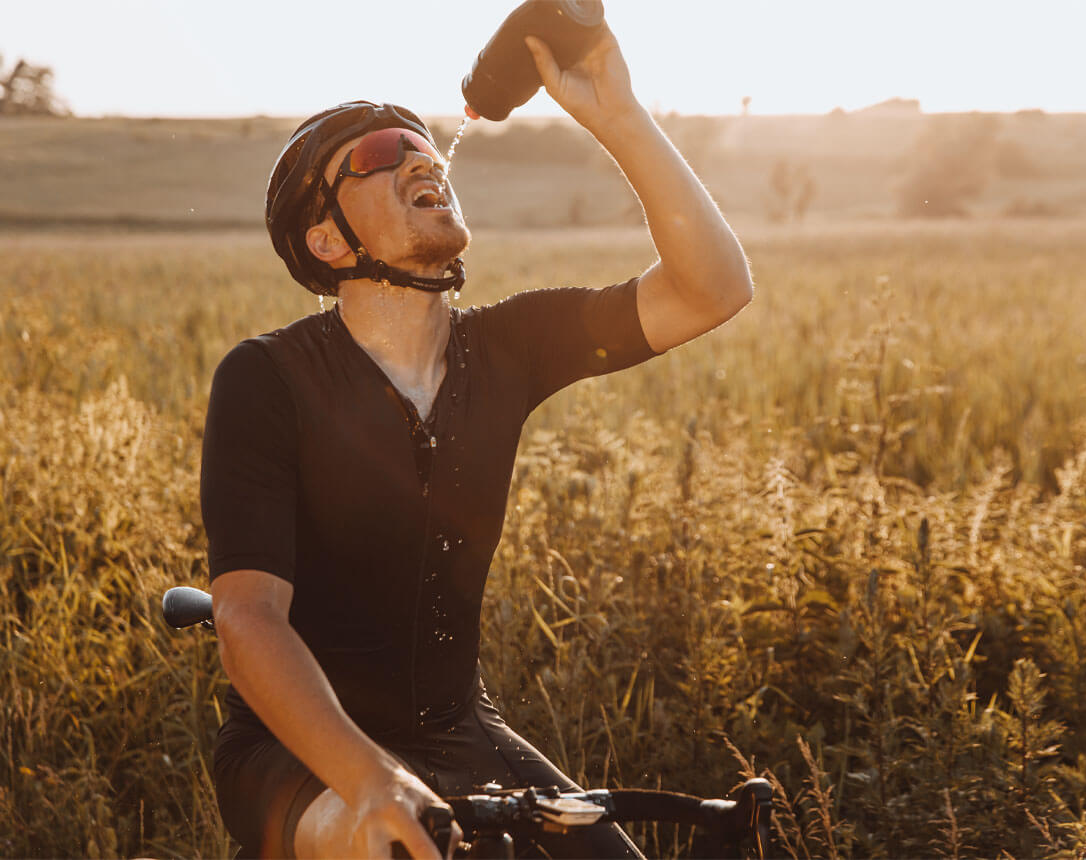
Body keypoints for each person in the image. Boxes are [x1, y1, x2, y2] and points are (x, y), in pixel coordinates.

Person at [201, 22, 753, 859]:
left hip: (461, 731)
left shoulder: (508, 347)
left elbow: (713, 289)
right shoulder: (267, 379)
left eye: (426, 146)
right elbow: (247, 620)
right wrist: (373, 780)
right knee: (388, 847)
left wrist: (619, 116)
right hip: (302, 755)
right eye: (384, 151)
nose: (422, 158)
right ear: (326, 240)